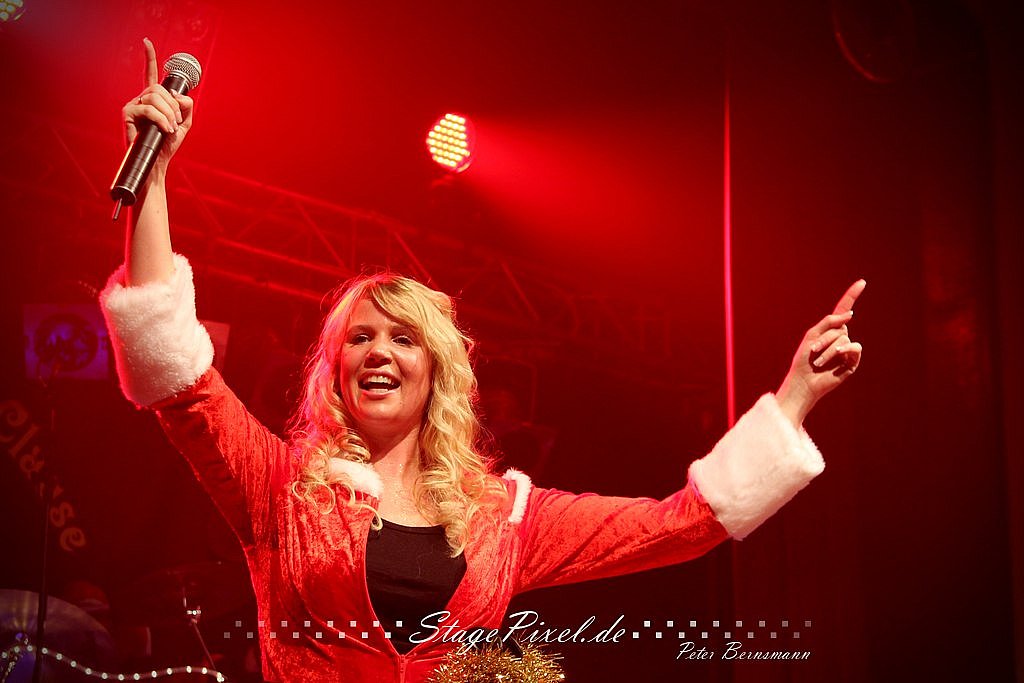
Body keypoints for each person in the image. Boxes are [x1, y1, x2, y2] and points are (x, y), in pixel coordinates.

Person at [99, 40, 865, 683]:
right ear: (333, 368)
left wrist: (795, 398)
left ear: (437, 373)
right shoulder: (280, 491)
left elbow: (679, 524)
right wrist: (154, 180)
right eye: (360, 337)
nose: (379, 350)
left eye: (405, 338)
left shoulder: (506, 519)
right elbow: (178, 378)